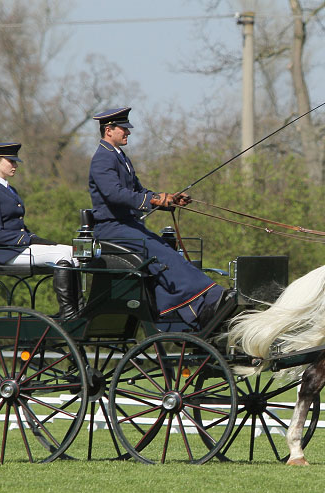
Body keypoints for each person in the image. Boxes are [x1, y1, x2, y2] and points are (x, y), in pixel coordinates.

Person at [88, 107, 230, 330]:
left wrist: (168, 199)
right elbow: (114, 194)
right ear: (109, 130)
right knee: (161, 253)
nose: (128, 133)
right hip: (112, 228)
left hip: (128, 226)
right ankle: (209, 297)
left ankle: (179, 310)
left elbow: (138, 190)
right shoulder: (102, 159)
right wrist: (154, 200)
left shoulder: (120, 157)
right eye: (123, 129)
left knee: (167, 250)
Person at [0, 142, 81, 320]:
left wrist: (42, 241)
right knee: (62, 257)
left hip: (17, 248)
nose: (15, 165)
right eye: (11, 161)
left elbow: (20, 227)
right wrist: (27, 240)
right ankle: (68, 313)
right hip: (3, 252)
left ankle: (78, 308)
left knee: (72, 252)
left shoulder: (9, 189)